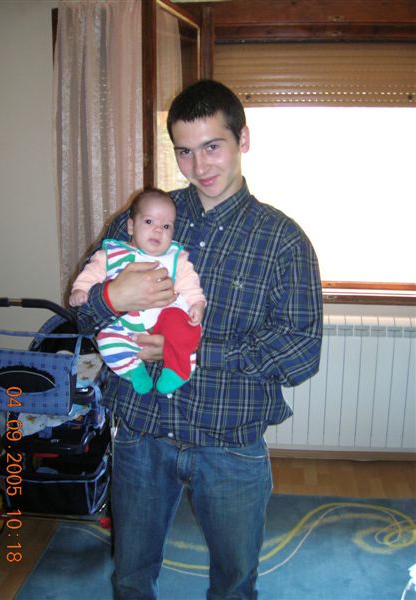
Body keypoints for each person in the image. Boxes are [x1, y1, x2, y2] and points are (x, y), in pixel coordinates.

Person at [75, 79, 323, 600]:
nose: (199, 165)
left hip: (230, 442)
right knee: (130, 577)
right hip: (142, 432)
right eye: (184, 151)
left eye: (213, 146)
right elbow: (80, 316)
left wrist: (186, 348)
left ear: (243, 139)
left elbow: (300, 354)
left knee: (234, 585)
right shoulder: (145, 218)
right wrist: (113, 298)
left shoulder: (284, 241)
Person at [69, 188, 206, 395]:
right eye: (149, 222)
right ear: (131, 226)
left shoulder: (175, 257)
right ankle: (132, 370)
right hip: (124, 323)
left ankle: (179, 369)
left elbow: (189, 282)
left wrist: (197, 303)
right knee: (107, 340)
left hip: (164, 315)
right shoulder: (111, 254)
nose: (158, 230)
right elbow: (92, 273)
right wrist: (80, 289)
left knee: (184, 327)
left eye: (166, 226)